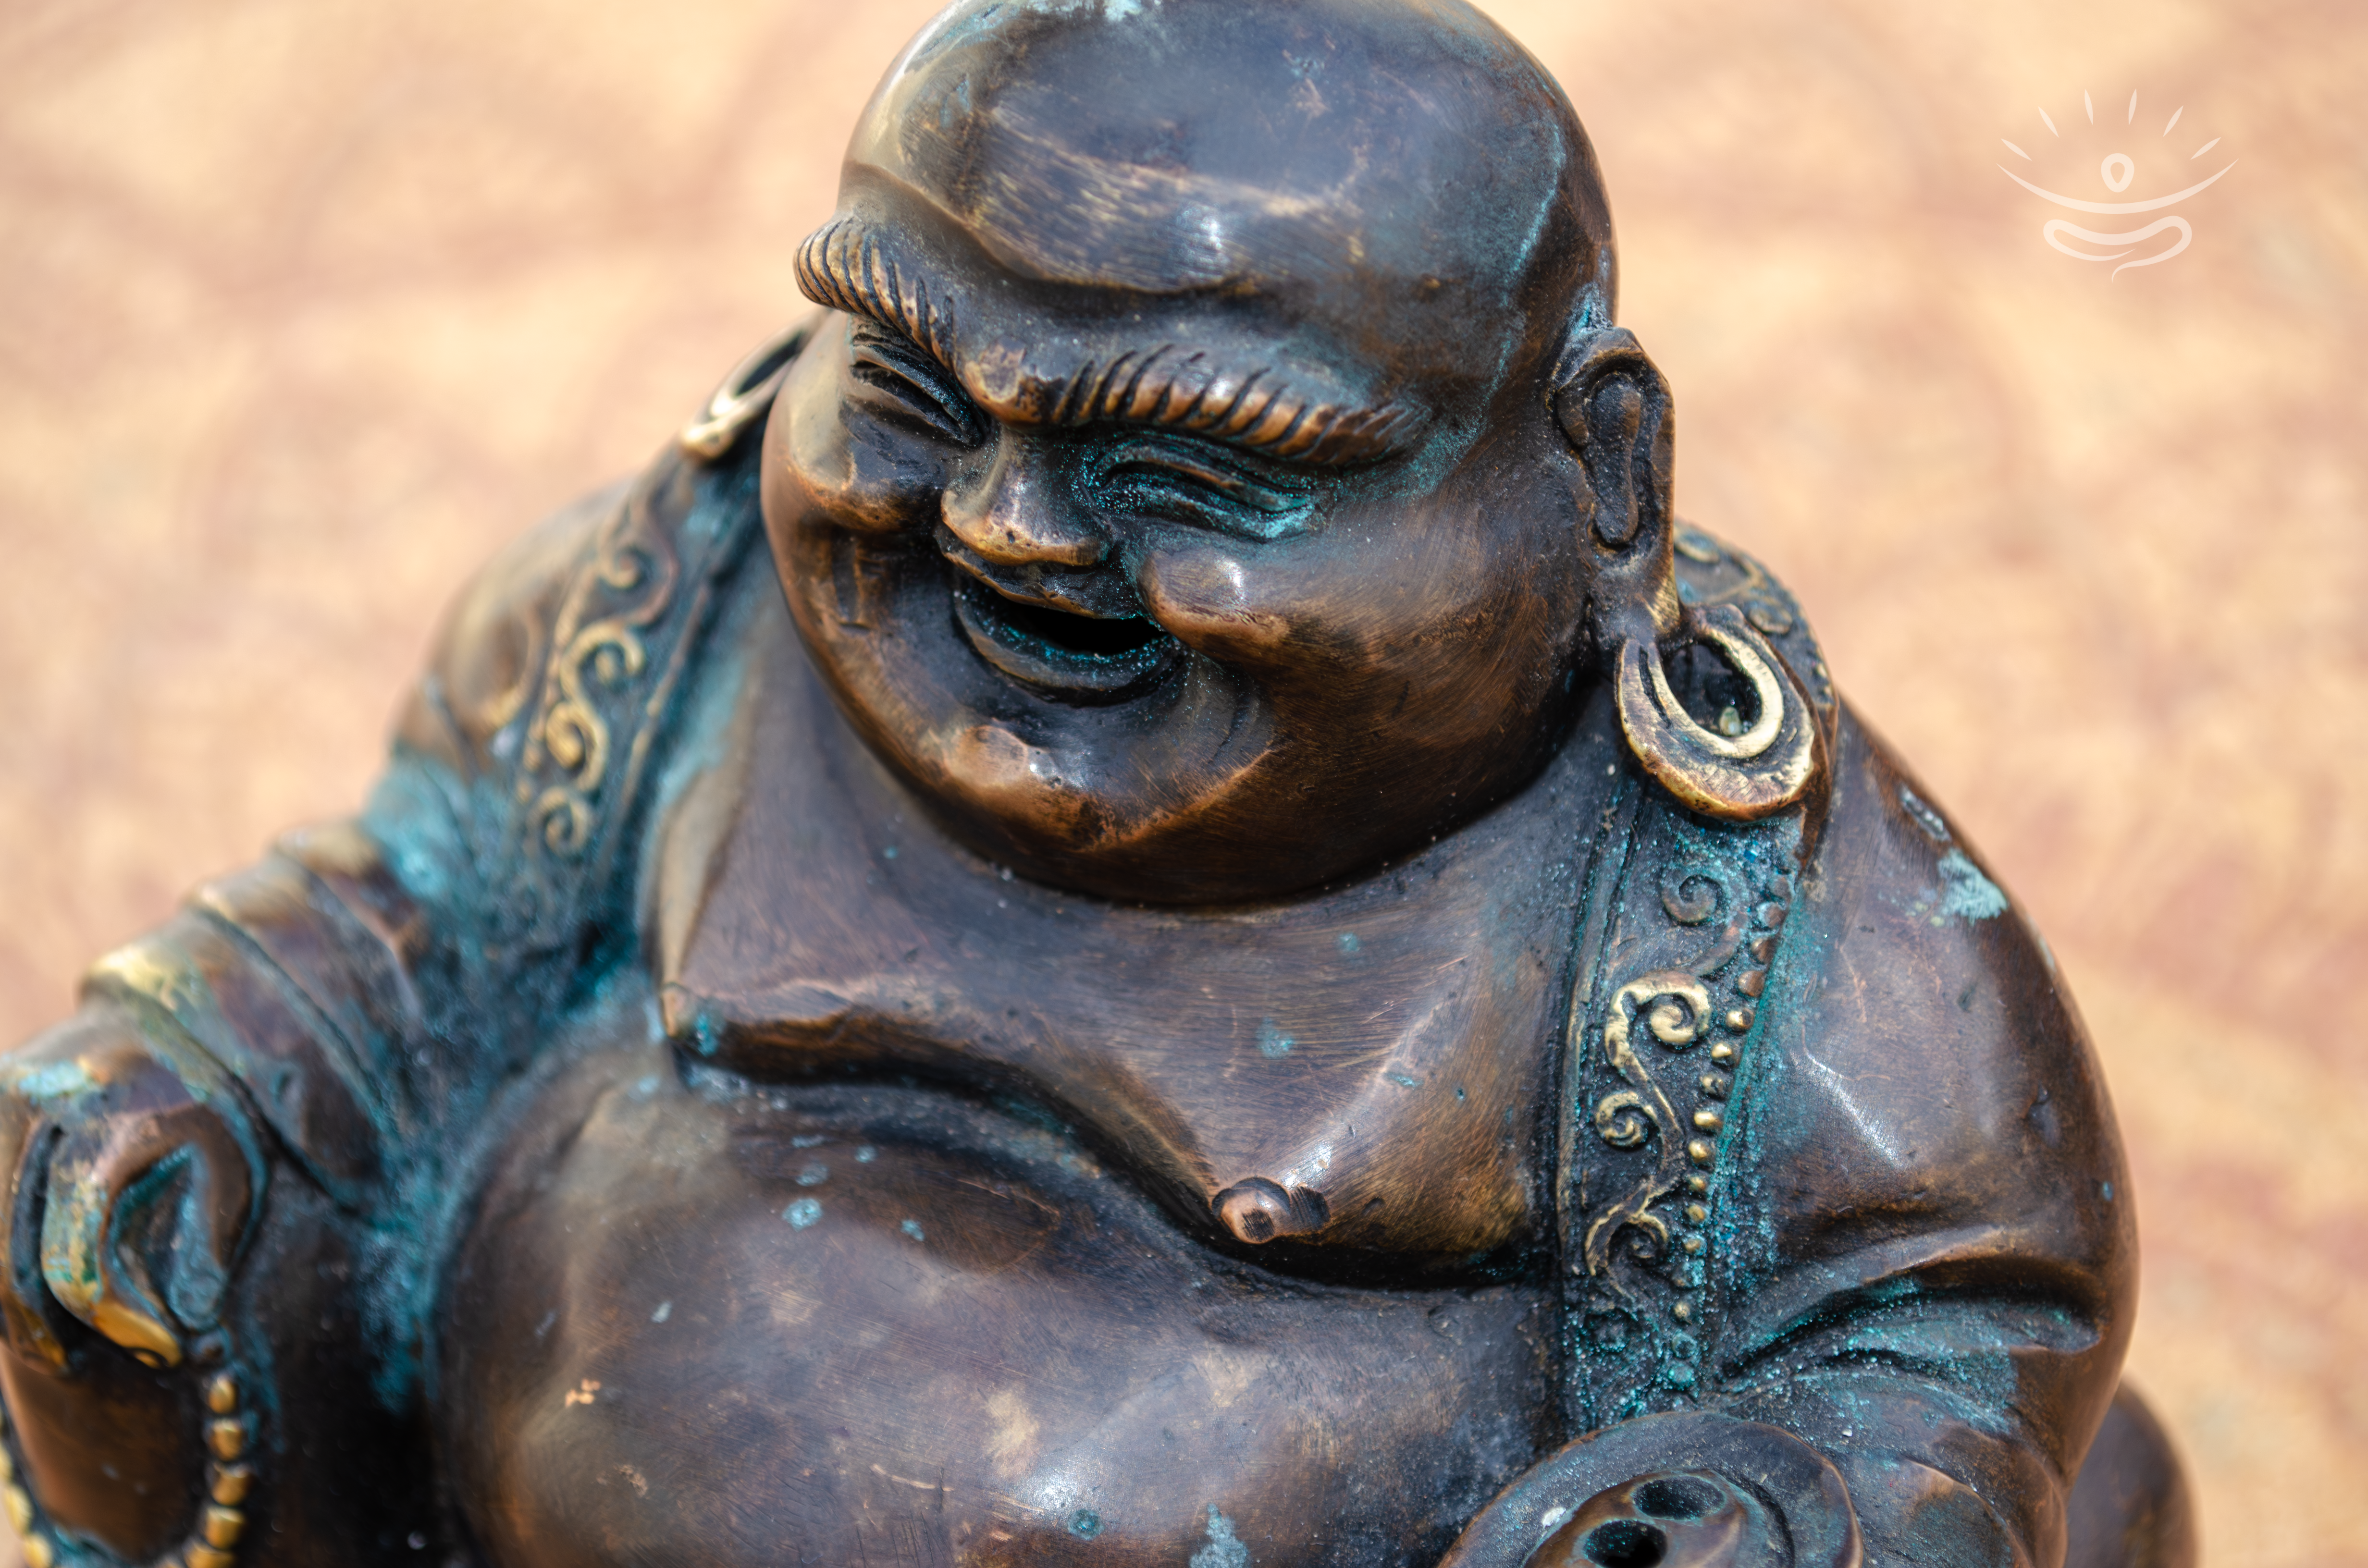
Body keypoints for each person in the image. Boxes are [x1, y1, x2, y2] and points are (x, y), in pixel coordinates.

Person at [0, 2, 2183, 1565]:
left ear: (1593, 484)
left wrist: (1786, 1496)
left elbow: (1945, 1311)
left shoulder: (1704, 878)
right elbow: (423, 915)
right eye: (920, 400)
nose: (1016, 534)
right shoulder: (670, 616)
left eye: (1187, 463)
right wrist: (181, 1076)